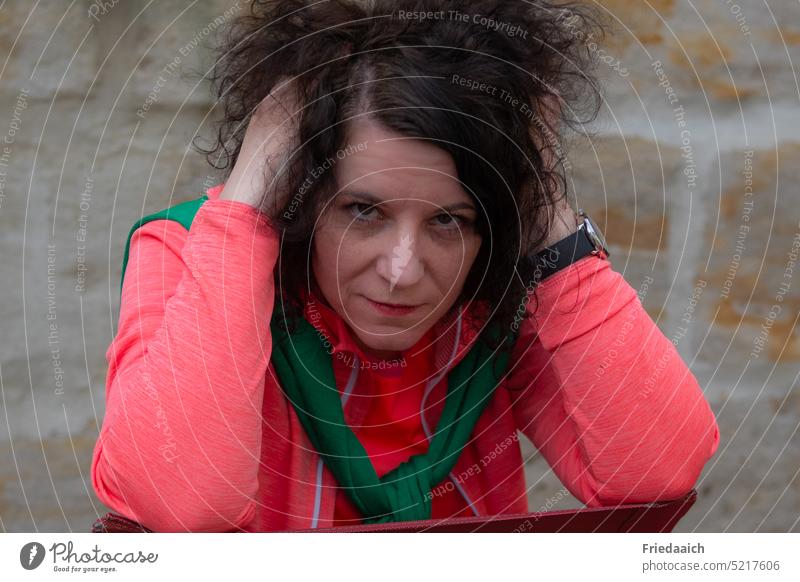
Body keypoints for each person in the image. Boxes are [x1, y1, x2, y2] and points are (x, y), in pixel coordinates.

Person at [91, 0, 720, 532]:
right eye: (363, 210)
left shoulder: (497, 289)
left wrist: (545, 205)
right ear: (301, 194)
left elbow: (656, 470)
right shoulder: (186, 252)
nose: (401, 269)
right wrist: (249, 196)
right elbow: (184, 502)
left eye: (448, 220)